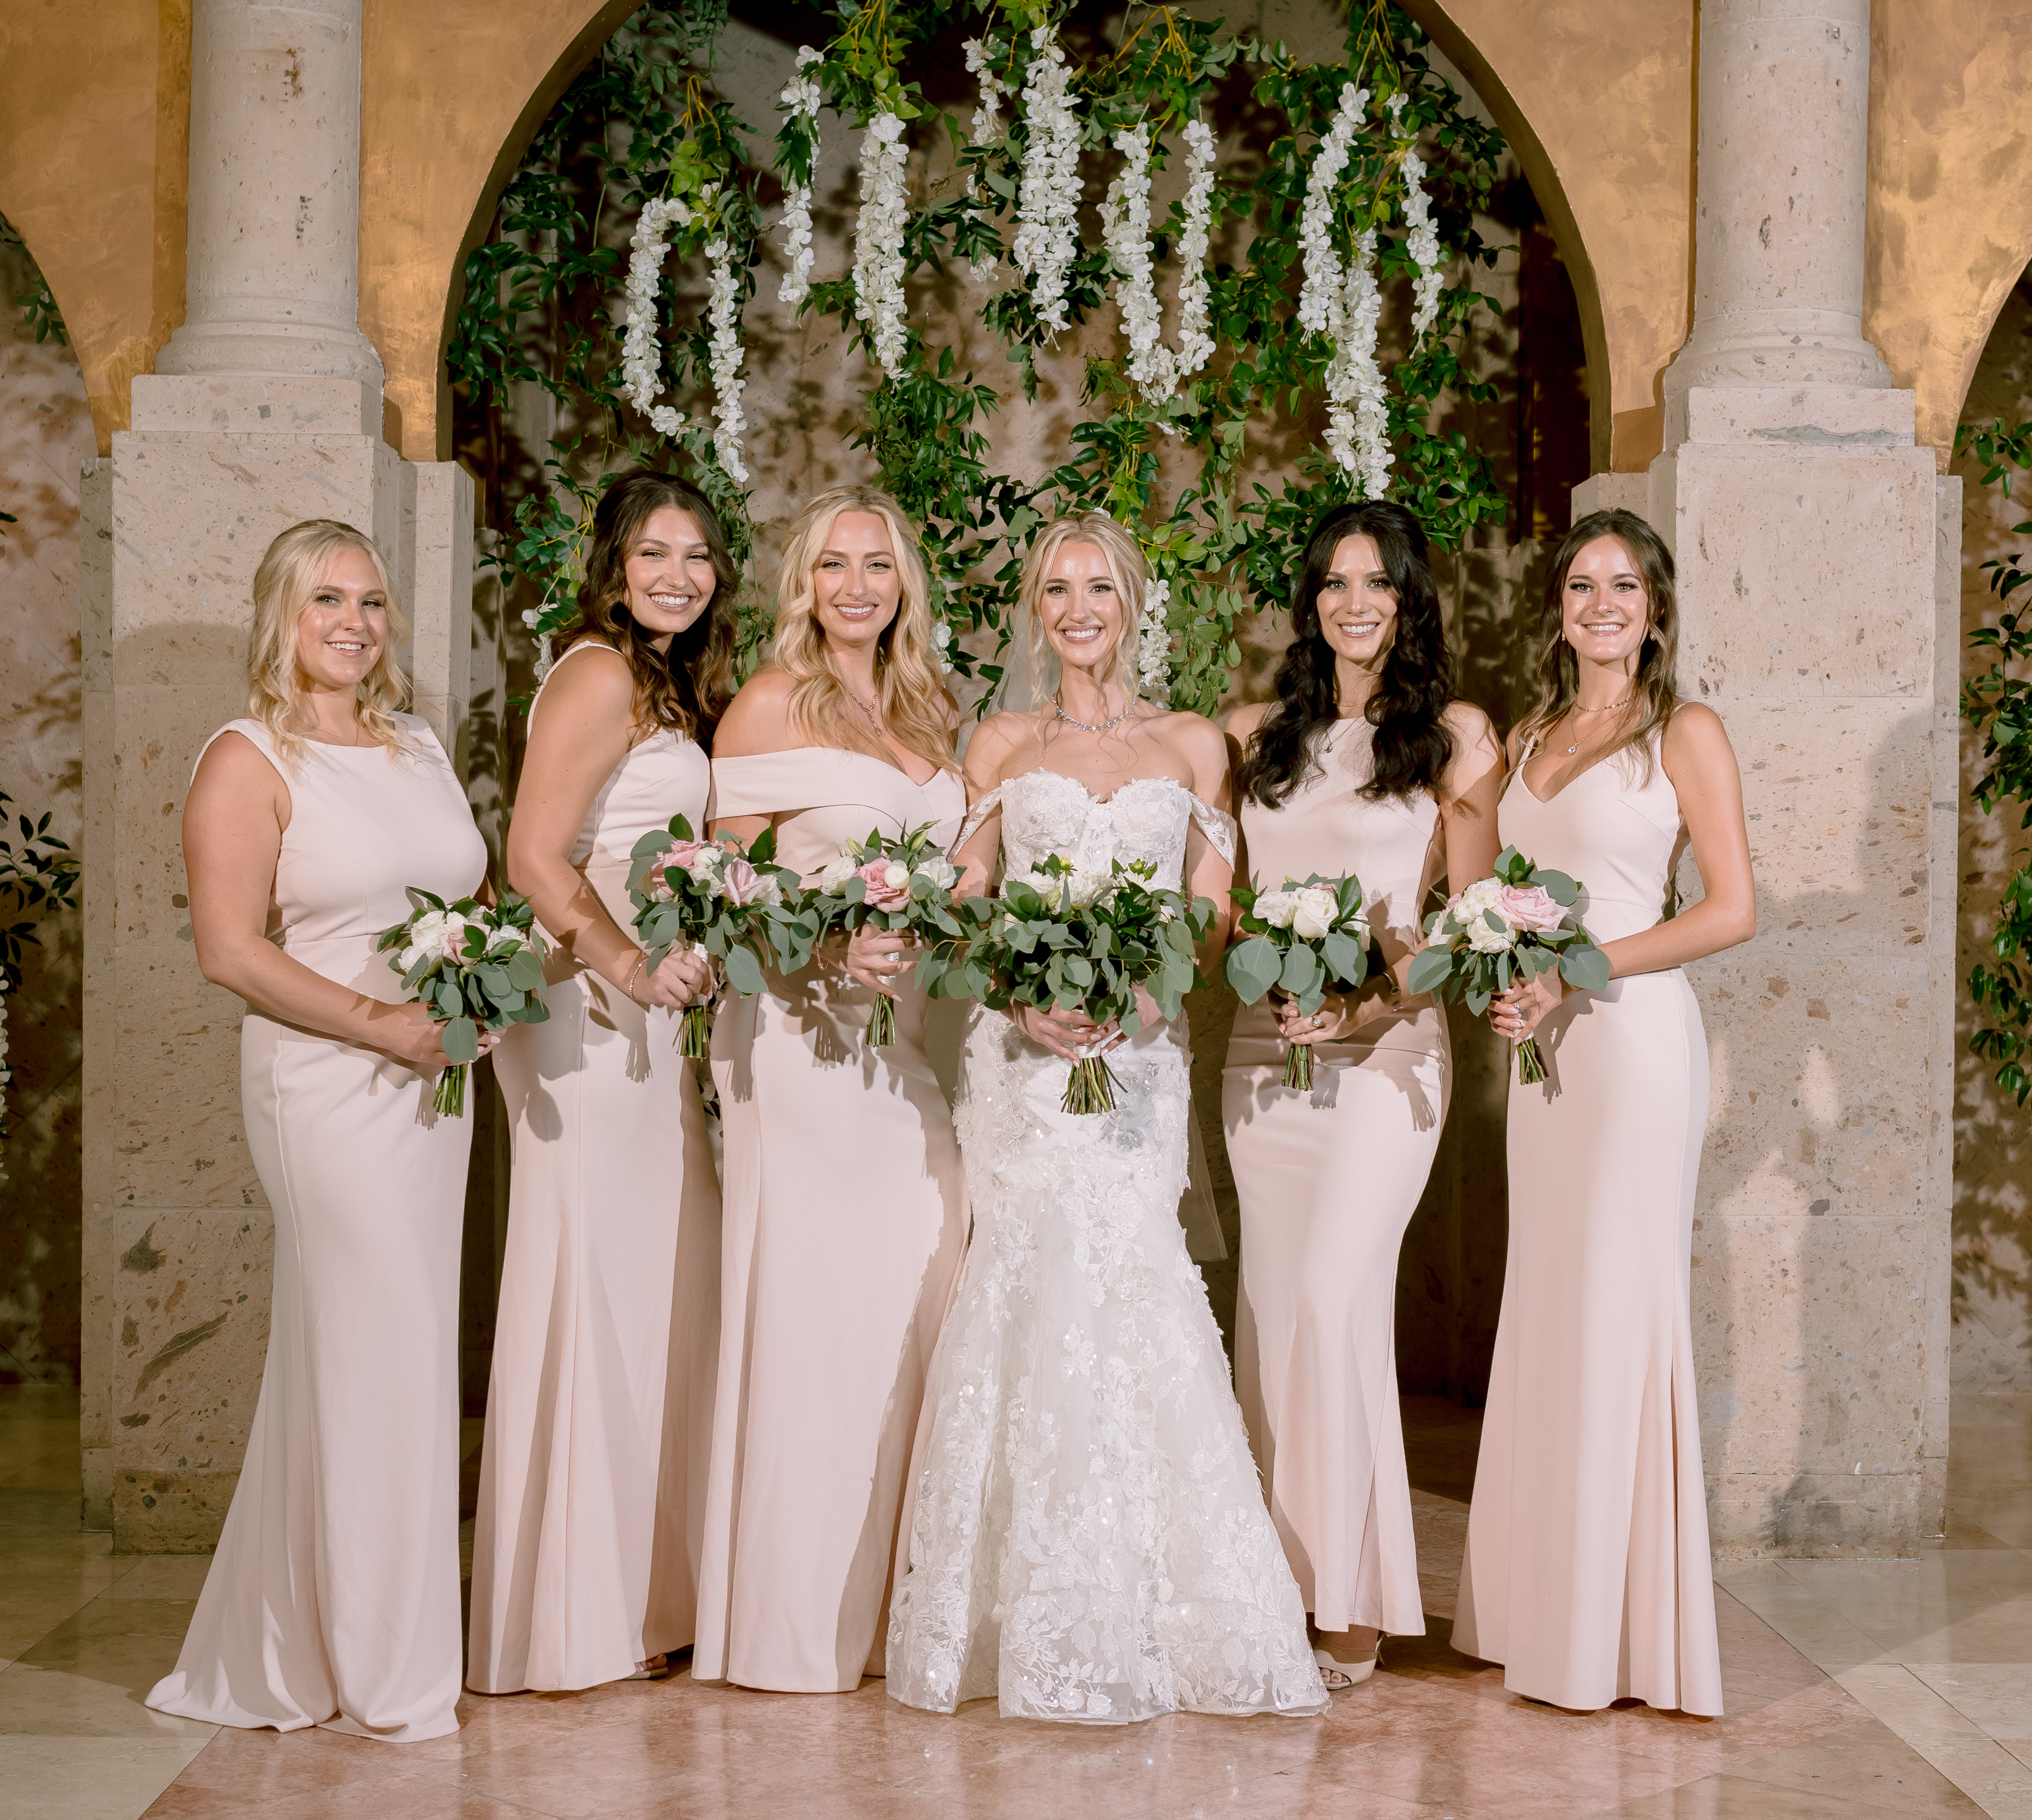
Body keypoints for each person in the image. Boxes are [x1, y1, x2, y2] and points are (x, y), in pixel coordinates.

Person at [887, 509, 1327, 1723]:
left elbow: (1211, 911)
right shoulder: (999, 741)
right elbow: (965, 902)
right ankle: (1008, 1612)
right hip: (1020, 1069)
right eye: (1055, 589)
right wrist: (1022, 998)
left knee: (1133, 1279)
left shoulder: (1191, 745)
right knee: (1025, 1282)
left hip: (1135, 1059)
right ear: (1035, 610)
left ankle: (1167, 1610)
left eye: (1098, 589)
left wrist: (1142, 987)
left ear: (1134, 603)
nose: (1077, 609)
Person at [147, 520, 490, 1742]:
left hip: (432, 1083)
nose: (352, 622)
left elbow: (463, 896)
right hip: (327, 1084)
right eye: (324, 600)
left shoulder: (414, 745)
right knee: (375, 1351)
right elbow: (229, 948)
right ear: (278, 616)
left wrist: (478, 986)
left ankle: (301, 1639)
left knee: (370, 1358)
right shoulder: (245, 756)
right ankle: (388, 1667)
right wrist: (382, 1023)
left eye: (371, 601)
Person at [1452, 507, 1756, 1716]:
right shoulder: (1526, 734)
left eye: (1621, 587)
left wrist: (1581, 970)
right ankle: (1537, 1609)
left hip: (1630, 1049)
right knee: (1551, 1303)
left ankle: (1618, 1636)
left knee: (1618, 1310)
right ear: (1559, 610)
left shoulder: (1683, 730)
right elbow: (1487, 896)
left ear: (1655, 607)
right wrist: (1500, 983)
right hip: (1546, 1058)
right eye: (1581, 588)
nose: (1600, 606)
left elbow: (1731, 908)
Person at [1222, 501, 1503, 1689]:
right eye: (1334, 582)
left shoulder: (1453, 735)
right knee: (1276, 1318)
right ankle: (1269, 1585)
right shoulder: (1251, 735)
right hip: (1261, 1055)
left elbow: (1472, 925)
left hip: (1390, 1057)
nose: (1353, 603)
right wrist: (1270, 968)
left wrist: (1365, 1004)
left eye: (1375, 583)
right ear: (1309, 600)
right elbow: (1221, 905)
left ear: (1407, 599)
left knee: (1336, 1301)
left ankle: (1353, 1600)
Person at [694, 484, 969, 1693]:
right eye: (831, 566)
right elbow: (722, 889)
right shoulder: (763, 705)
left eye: (877, 565)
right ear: (800, 583)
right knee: (812, 1313)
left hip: (908, 1045)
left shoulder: (929, 708)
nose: (855, 586)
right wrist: (822, 948)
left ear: (903, 582)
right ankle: (796, 1624)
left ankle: (892, 1608)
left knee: (927, 1266)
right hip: (799, 1040)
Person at [466, 474, 729, 1695]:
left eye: (697, 555)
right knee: (591, 1279)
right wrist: (626, 963)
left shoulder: (673, 683)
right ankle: (572, 1608)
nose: (676, 574)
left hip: (649, 1010)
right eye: (652, 553)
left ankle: (640, 1590)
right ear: (612, 565)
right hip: (587, 1008)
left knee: (646, 1287)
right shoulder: (596, 672)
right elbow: (528, 853)